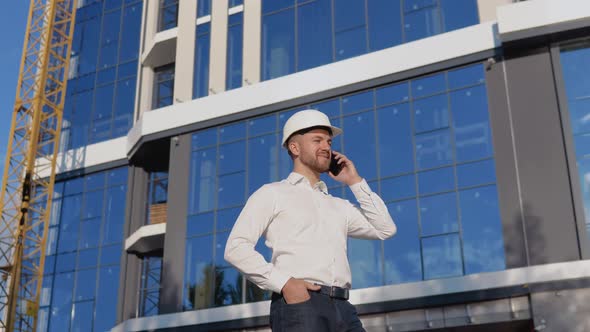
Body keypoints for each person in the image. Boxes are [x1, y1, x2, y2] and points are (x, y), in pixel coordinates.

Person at [224, 109, 397, 331]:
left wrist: (354, 181)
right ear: (294, 148)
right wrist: (285, 284)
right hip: (300, 304)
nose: (326, 147)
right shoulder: (272, 193)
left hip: (344, 307)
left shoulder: (339, 206)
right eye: (317, 140)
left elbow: (385, 229)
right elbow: (236, 248)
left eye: (328, 141)